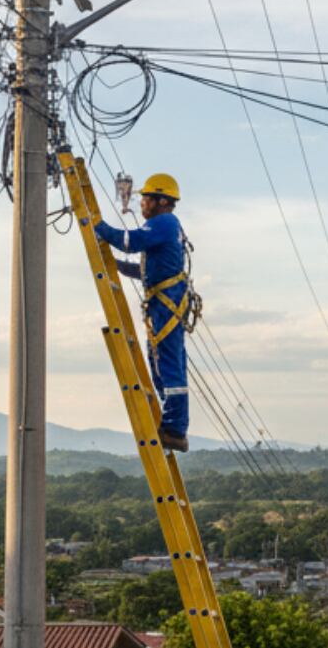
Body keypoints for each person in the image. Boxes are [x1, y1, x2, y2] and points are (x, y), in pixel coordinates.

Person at [93, 172, 192, 452]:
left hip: (167, 302)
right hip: (164, 300)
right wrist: (117, 266)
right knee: (162, 364)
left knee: (169, 365)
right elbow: (147, 270)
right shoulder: (166, 226)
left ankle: (174, 427)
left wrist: (96, 225)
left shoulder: (164, 222)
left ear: (162, 200)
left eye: (146, 199)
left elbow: (129, 241)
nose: (141, 204)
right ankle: (172, 424)